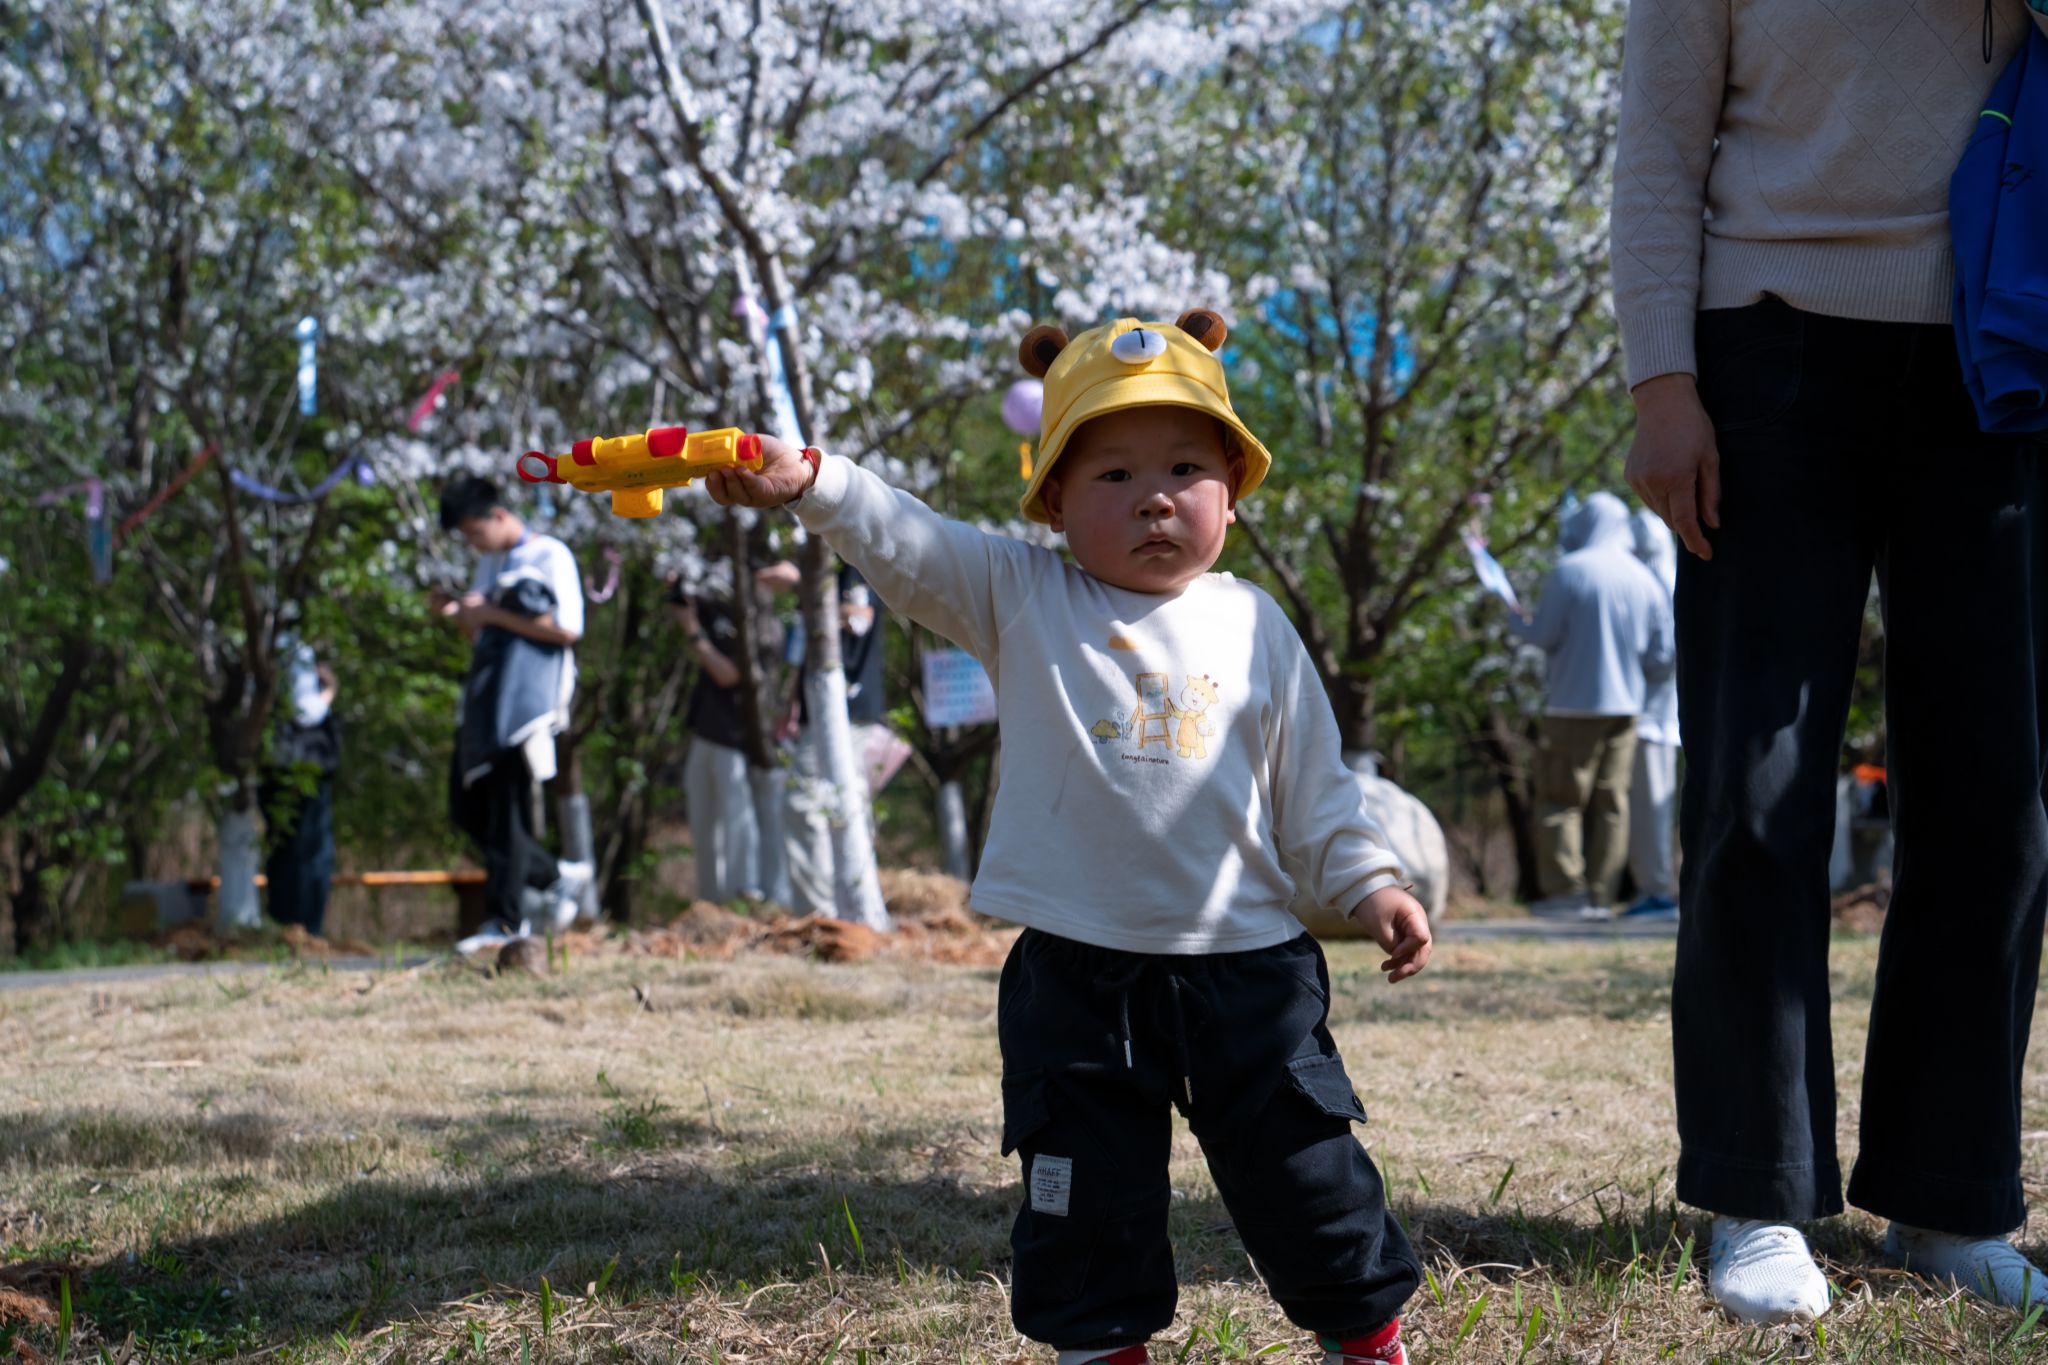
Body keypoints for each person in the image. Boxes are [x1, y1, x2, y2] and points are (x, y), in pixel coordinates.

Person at [708, 309, 1432, 1365]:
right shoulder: (1022, 595)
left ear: (1232, 491)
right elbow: (908, 541)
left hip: (1247, 971)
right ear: (1052, 500)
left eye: (1185, 468)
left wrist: (1371, 883)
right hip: (1077, 977)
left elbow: (1314, 786)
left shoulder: (1254, 624)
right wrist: (813, 481)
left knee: (1307, 1173)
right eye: (1113, 474)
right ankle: (1100, 1349)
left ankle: (1363, 1336)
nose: (1153, 497)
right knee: (1083, 1202)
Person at [1615, 0, 2048, 1322]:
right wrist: (1661, 381)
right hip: (1768, 343)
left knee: (1994, 791)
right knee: (1756, 785)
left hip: (1998, 336)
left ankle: (1950, 1198)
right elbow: (1657, 146)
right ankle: (1756, 1191)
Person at [434, 476, 590, 946]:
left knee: (506, 810)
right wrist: (461, 614)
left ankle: (504, 924)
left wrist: (493, 613)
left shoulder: (550, 555)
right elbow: (482, 635)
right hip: (486, 702)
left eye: (475, 532)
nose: (474, 543)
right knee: (467, 808)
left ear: (499, 515)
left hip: (527, 707)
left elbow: (567, 629)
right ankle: (552, 875)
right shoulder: (489, 563)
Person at [1506, 492, 1674, 920]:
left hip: (1571, 705)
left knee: (1560, 800)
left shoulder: (1570, 571)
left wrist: (1514, 618)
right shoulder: (1643, 577)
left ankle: (1566, 893)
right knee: (1612, 803)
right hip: (1627, 709)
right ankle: (1601, 895)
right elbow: (1661, 656)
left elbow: (1542, 635)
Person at [675, 573, 782, 902]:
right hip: (704, 731)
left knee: (737, 820)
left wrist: (693, 632)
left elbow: (728, 674)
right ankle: (710, 902)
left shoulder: (765, 626)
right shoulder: (719, 611)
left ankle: (743, 893)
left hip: (735, 735)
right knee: (703, 824)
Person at [1622, 508, 1680, 920]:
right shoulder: (1665, 580)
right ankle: (1652, 887)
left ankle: (1656, 891)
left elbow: (1665, 656)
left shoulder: (1660, 583)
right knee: (1649, 809)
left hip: (1655, 719)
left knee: (1652, 809)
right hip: (1656, 717)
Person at [261, 644, 340, 937]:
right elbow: (307, 712)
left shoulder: (259, 642)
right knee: (310, 850)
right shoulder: (294, 646)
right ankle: (305, 931)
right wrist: (329, 691)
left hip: (272, 761)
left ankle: (285, 927)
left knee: (281, 845)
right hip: (303, 765)